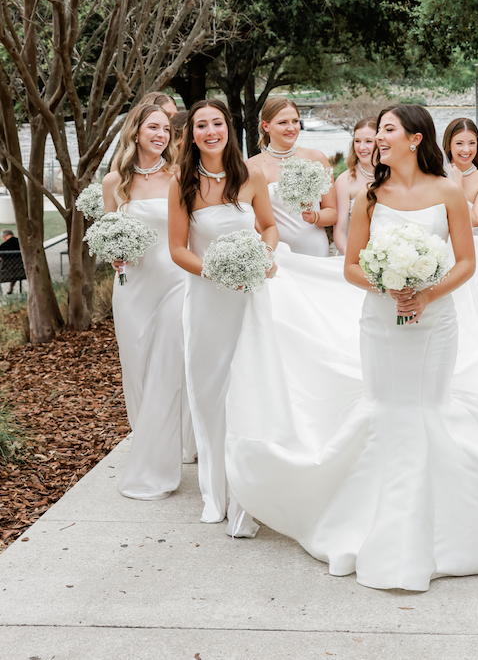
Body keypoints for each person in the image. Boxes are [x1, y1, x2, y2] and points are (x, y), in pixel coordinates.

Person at [226, 105, 478, 591]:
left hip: (436, 322)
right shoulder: (369, 195)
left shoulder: (447, 191)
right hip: (380, 320)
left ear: (414, 138)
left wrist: (426, 293)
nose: (378, 138)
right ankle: (366, 518)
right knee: (384, 407)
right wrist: (388, 288)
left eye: (387, 130)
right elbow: (350, 267)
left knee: (428, 408)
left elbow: (467, 262)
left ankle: (448, 525)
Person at [168, 99, 278, 536]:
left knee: (248, 388)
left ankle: (249, 493)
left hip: (251, 298)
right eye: (201, 125)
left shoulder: (251, 175)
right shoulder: (183, 182)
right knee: (210, 393)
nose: (210, 131)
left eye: (217, 123)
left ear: (228, 128)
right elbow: (178, 249)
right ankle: (216, 492)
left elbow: (268, 227)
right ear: (191, 135)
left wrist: (262, 257)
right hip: (208, 300)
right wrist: (217, 271)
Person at [101, 104, 185, 499]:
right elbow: (109, 233)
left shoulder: (178, 176)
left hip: (174, 282)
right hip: (132, 286)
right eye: (153, 127)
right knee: (135, 371)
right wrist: (113, 253)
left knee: (166, 368)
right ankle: (149, 441)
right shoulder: (114, 182)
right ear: (136, 132)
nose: (161, 134)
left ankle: (157, 467)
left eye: (166, 129)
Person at [247, 96, 335, 256]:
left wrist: (315, 216)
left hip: (315, 250)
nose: (291, 128)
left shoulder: (316, 158)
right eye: (283, 122)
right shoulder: (251, 167)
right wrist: (272, 246)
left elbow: (332, 212)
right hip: (277, 253)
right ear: (266, 126)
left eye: (295, 121)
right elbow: (248, 218)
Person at [442, 118, 478, 232]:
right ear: (449, 145)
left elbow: (475, 222)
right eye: (459, 143)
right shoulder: (435, 176)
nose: (466, 150)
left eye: (472, 143)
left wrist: (458, 186)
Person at [333, 118, 377, 254]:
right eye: (357, 141)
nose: (361, 147)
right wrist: (351, 258)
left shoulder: (395, 176)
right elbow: (340, 230)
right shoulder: (345, 180)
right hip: (354, 253)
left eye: (369, 141)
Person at [0, 229, 24, 295]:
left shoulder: (3, 246)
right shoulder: (22, 243)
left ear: (4, 237)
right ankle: (10, 289)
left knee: (11, 270)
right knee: (14, 270)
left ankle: (9, 290)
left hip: (5, 273)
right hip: (22, 271)